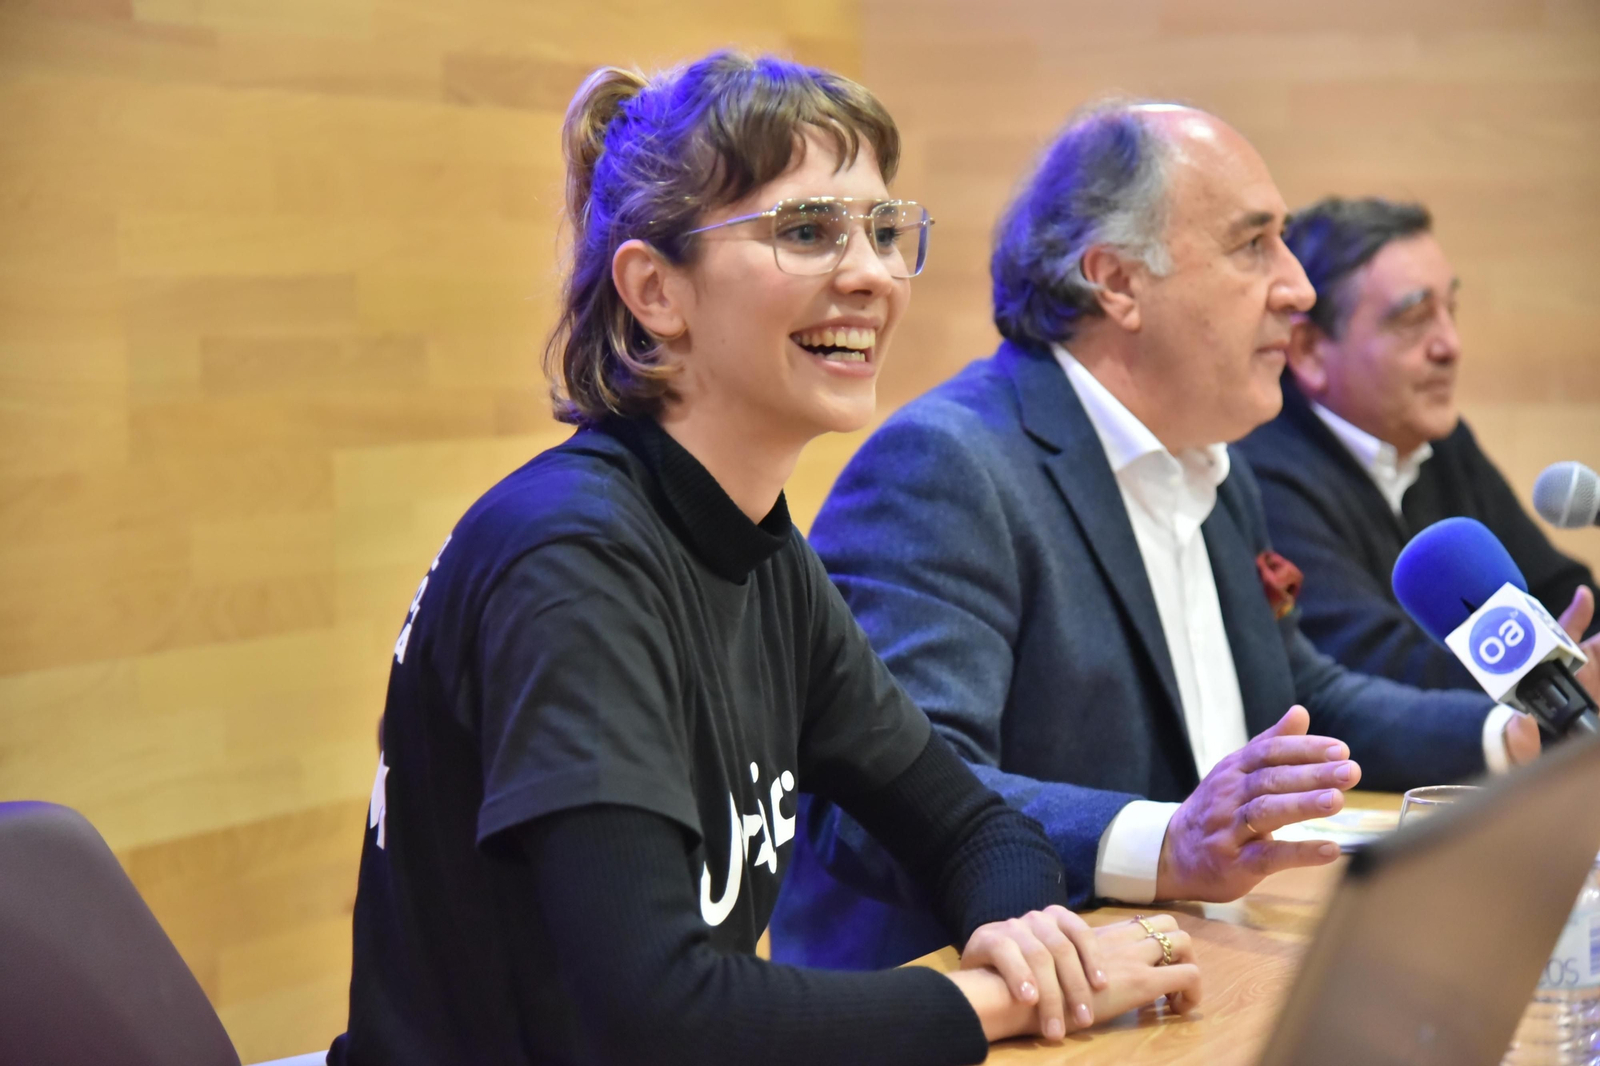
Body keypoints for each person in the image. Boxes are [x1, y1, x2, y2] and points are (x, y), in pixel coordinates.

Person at [327, 55, 1200, 1066]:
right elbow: (666, 1017)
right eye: (806, 231)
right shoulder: (571, 561)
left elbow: (973, 827)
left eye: (882, 230)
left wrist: (1021, 933)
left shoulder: (762, 550)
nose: (871, 272)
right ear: (655, 289)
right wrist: (991, 1004)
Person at [769, 99, 1563, 972]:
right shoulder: (946, 467)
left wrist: (1510, 732)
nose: (1298, 287)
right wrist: (1167, 842)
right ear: (1115, 281)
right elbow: (883, 801)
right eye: (1252, 245)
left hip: (1175, 971)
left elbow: (1301, 701)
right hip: (967, 1007)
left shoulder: (1214, 461)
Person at [1235, 196, 1599, 692]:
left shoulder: (1440, 441)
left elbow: (1556, 591)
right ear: (1310, 351)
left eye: (1449, 309)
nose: (1450, 346)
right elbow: (1375, 663)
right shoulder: (1261, 476)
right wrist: (1559, 672)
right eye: (1414, 319)